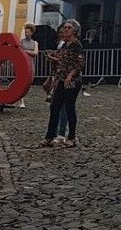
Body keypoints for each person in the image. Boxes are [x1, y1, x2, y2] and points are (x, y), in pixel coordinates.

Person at [39, 19, 85, 148]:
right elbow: (61, 60)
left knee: (69, 108)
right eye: (64, 27)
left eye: (68, 27)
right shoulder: (64, 44)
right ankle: (49, 136)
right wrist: (52, 58)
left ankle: (71, 137)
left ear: (75, 31)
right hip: (61, 79)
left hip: (72, 81)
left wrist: (70, 76)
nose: (65, 30)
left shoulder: (77, 45)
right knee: (55, 107)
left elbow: (80, 64)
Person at [18, 24, 39, 108]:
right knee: (21, 81)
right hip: (22, 63)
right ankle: (21, 101)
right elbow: (19, 51)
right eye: (25, 32)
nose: (26, 34)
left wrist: (25, 51)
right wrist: (27, 52)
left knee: (28, 82)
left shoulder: (35, 43)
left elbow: (35, 53)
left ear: (31, 33)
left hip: (30, 63)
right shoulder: (21, 41)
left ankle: (21, 97)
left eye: (28, 32)